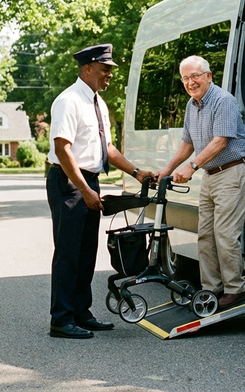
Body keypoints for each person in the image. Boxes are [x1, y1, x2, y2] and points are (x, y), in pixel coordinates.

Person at [46, 43, 154, 339]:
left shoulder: (98, 103)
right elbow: (62, 149)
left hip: (88, 181)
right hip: (69, 182)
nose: (110, 75)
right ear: (88, 68)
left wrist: (136, 172)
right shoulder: (69, 101)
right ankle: (61, 319)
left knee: (86, 252)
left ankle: (81, 312)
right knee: (68, 252)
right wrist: (84, 190)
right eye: (105, 69)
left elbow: (107, 148)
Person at [157, 55, 245, 310]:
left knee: (225, 234)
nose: (190, 82)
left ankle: (235, 289)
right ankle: (211, 289)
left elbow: (220, 141)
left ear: (208, 76)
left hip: (233, 172)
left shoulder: (223, 101)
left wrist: (191, 167)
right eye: (186, 78)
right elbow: (187, 144)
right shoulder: (192, 105)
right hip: (211, 175)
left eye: (195, 76)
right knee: (205, 235)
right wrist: (167, 169)